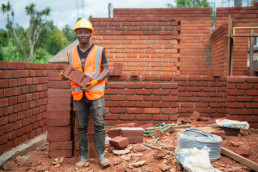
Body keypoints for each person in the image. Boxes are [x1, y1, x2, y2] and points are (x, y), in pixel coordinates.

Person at [60, 19, 110, 167]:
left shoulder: (99, 51)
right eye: (79, 32)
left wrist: (95, 81)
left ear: (90, 34)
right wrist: (65, 75)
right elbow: (72, 71)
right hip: (78, 96)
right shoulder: (70, 53)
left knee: (99, 124)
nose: (82, 34)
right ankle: (83, 157)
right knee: (81, 127)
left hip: (96, 95)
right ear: (76, 34)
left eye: (86, 32)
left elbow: (106, 70)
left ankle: (101, 156)